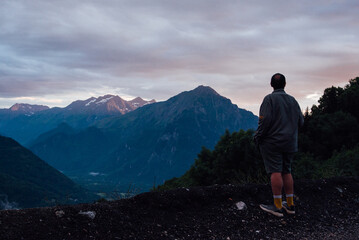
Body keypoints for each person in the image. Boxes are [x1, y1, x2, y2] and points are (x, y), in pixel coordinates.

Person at [254, 73, 304, 217]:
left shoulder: (269, 99)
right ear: (285, 84)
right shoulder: (293, 100)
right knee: (287, 171)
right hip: (290, 142)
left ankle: (277, 206)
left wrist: (258, 137)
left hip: (272, 143)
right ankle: (290, 204)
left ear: (271, 84)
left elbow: (265, 121)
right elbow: (301, 122)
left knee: (275, 171)